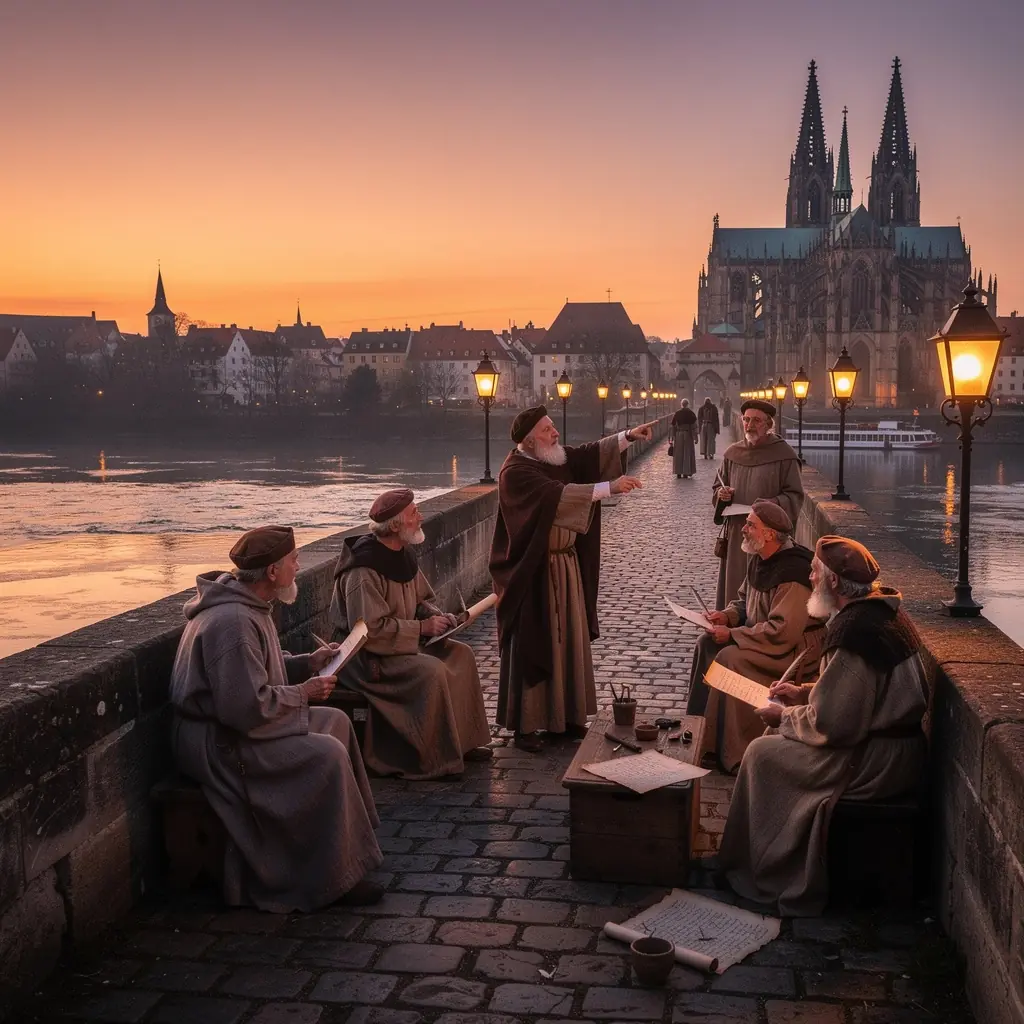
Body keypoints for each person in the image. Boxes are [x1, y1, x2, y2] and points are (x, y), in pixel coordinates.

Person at [169, 525, 384, 912]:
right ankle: (333, 874)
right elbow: (245, 709)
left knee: (335, 722)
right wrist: (304, 693)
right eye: (293, 560)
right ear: (272, 572)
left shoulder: (250, 606)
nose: (298, 566)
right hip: (220, 744)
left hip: (236, 726)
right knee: (327, 755)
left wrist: (306, 663)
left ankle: (353, 846)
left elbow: (255, 672)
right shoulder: (233, 622)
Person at [718, 535, 929, 916]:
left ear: (834, 581)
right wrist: (802, 692)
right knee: (772, 743)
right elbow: (856, 693)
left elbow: (834, 725)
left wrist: (782, 715)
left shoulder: (852, 634)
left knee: (761, 753)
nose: (810, 579)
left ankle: (765, 867)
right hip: (889, 745)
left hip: (875, 760)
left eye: (814, 573)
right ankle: (757, 853)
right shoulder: (879, 611)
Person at [490, 406, 655, 752]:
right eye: (548, 430)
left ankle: (563, 719)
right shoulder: (515, 472)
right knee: (535, 643)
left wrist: (627, 436)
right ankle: (526, 725)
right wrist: (609, 487)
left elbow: (586, 455)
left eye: (553, 427)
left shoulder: (551, 458)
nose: (556, 434)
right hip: (533, 571)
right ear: (531, 439)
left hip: (565, 566)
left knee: (567, 642)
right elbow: (557, 496)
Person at [330, 488, 493, 779]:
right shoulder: (363, 570)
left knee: (461, 654)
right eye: (413, 514)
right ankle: (435, 758)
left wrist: (436, 617)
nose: (420, 518)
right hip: (368, 659)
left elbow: (420, 601)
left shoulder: (401, 553)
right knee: (431, 671)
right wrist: (422, 629)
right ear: (394, 526)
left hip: (399, 645)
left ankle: (464, 742)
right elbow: (370, 631)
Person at [685, 501, 826, 772]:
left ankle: (732, 750)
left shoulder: (792, 574)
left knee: (729, 658)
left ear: (770, 534)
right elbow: (743, 601)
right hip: (766, 640)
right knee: (706, 643)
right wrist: (725, 616)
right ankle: (700, 731)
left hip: (795, 651)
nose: (743, 529)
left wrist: (734, 634)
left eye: (750, 524)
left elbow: (782, 631)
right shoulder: (760, 556)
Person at [713, 398, 803, 608]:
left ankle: (759, 629)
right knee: (735, 584)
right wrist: (722, 495)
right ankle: (730, 623)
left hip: (768, 536)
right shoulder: (733, 454)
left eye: (756, 420)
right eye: (746, 420)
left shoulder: (784, 455)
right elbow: (718, 485)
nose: (749, 425)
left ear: (768, 424)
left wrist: (769, 505)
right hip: (738, 532)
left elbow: (795, 496)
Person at [671, 399, 697, 479]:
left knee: (678, 454)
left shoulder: (677, 413)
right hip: (687, 434)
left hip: (678, 435)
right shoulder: (691, 413)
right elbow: (694, 427)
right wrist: (695, 437)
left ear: (681, 404)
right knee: (687, 453)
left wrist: (672, 437)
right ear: (687, 404)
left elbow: (673, 426)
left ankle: (678, 472)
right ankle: (686, 472)